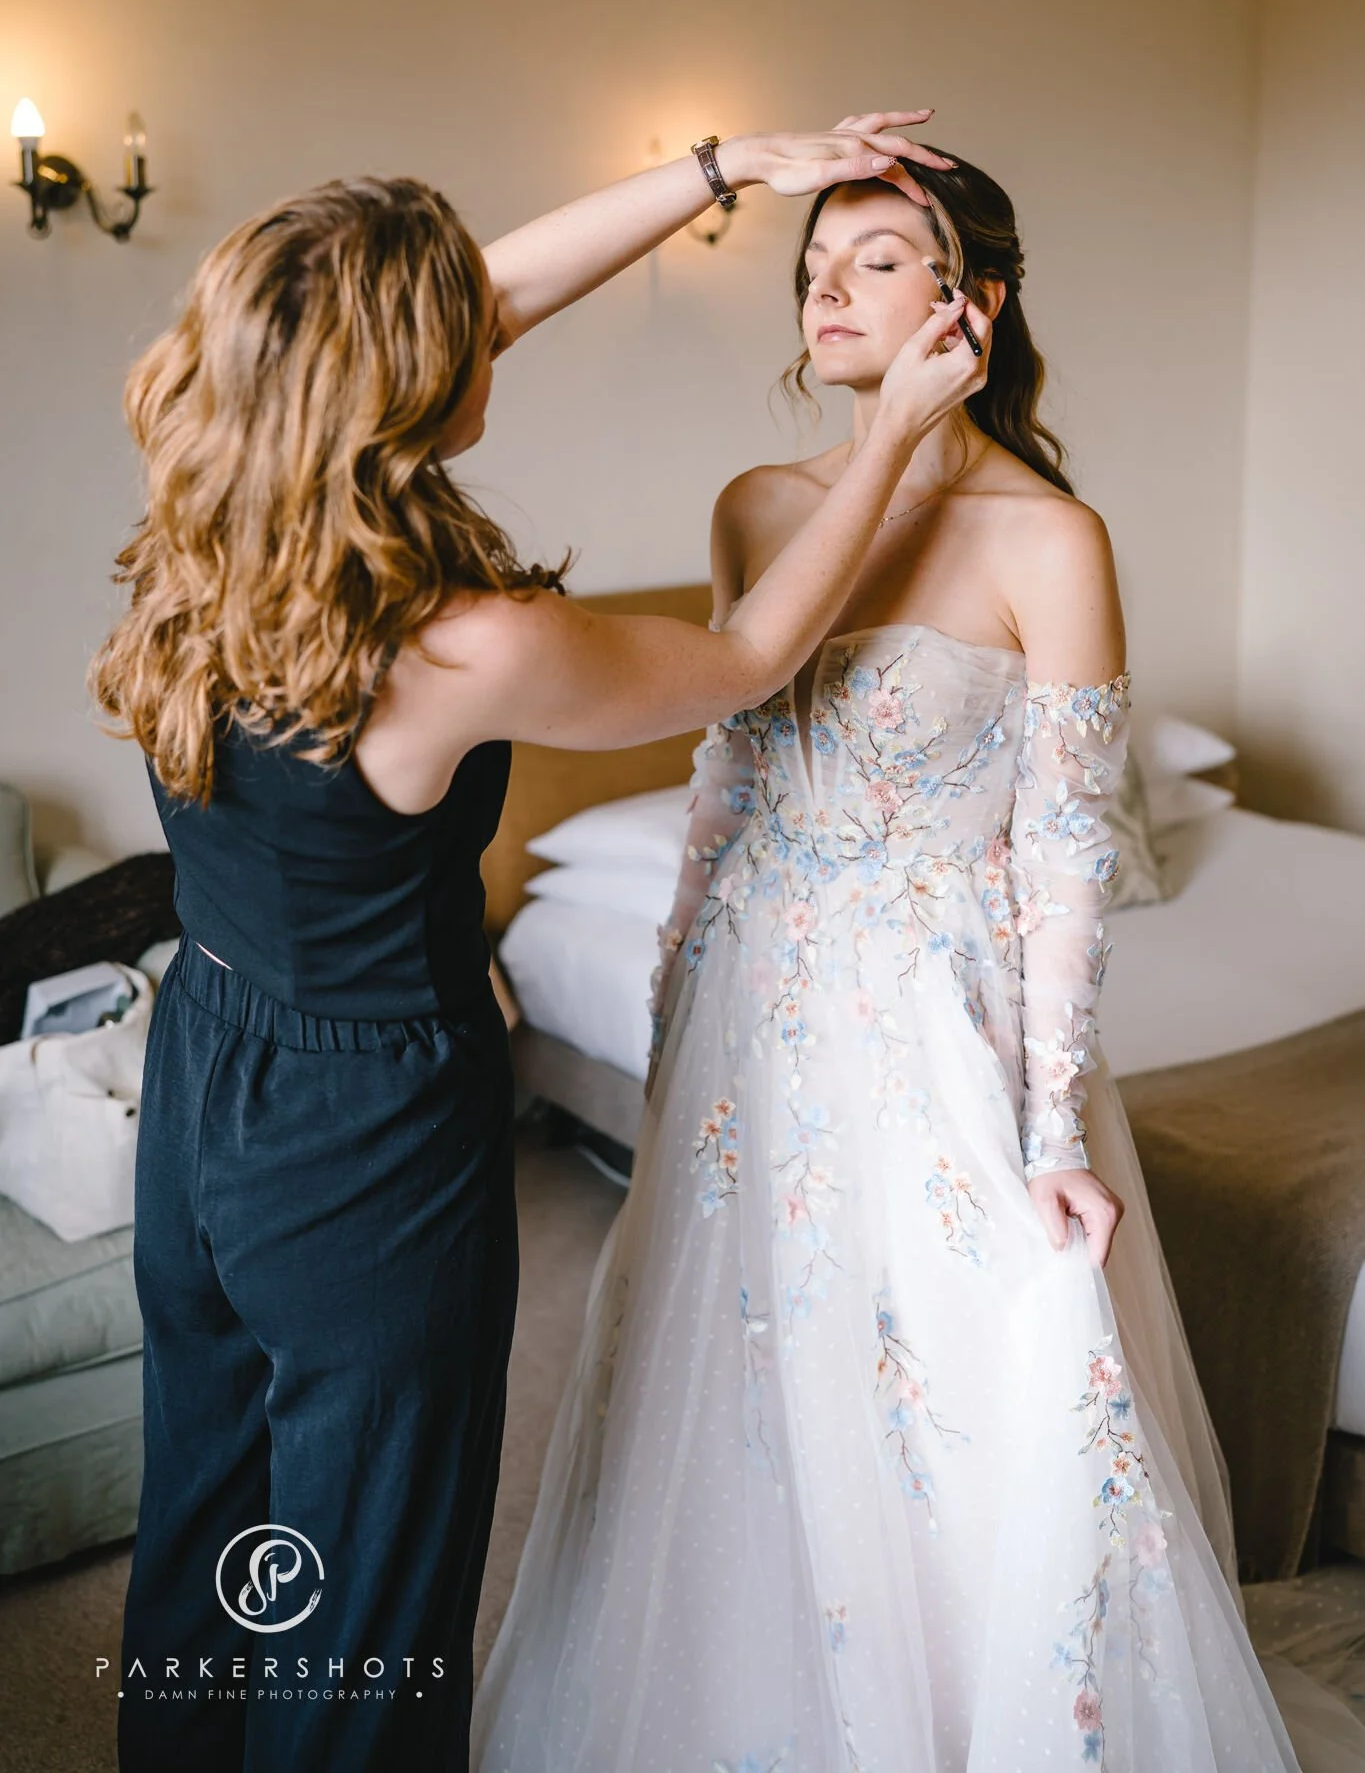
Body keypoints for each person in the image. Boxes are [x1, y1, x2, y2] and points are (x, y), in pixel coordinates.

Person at [94, 113, 987, 1773]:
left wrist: (724, 168)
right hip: (365, 1134)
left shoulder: (203, 447)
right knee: (366, 1597)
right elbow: (748, 659)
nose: (501, 329)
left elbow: (469, 297)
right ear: (412, 381)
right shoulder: (461, 645)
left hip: (204, 1070)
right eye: (464, 332)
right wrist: (897, 442)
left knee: (211, 1520)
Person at [471, 140, 1360, 1769]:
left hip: (944, 1022)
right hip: (757, 1007)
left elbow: (1066, 856)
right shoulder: (758, 506)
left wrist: (1041, 1128)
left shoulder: (1053, 541)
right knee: (747, 1390)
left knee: (973, 1396)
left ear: (973, 302)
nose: (821, 281)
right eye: (814, 256)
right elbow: (727, 768)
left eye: (873, 256)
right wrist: (677, 993)